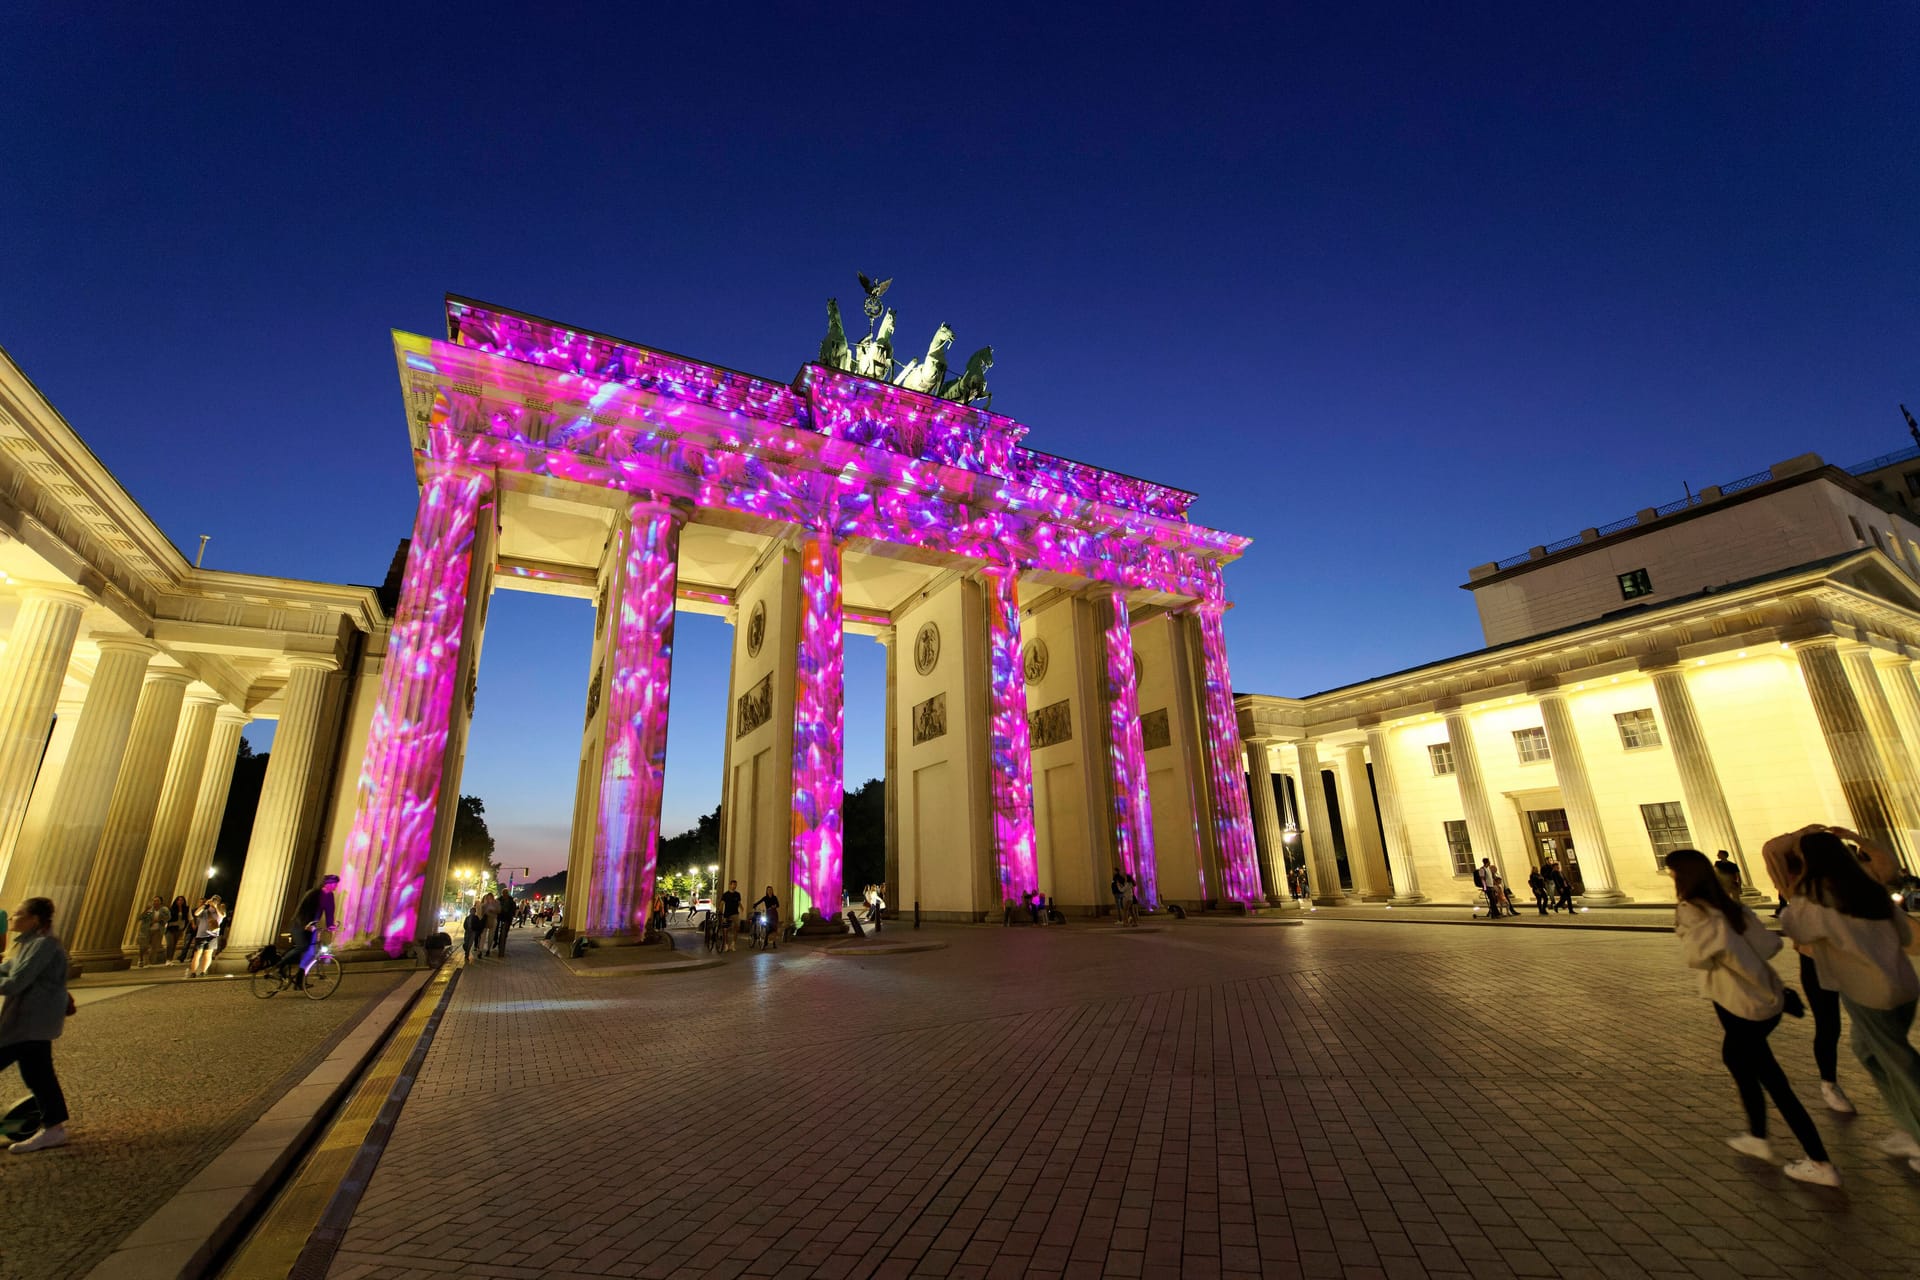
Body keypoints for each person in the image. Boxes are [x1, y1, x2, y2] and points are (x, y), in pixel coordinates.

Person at [1666, 848, 1838, 1186]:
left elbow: (1696, 957)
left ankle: (1820, 1163)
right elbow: (1770, 946)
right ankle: (1758, 1136)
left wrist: (1701, 937)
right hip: (1766, 999)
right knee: (1736, 1059)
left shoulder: (1692, 911)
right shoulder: (1731, 906)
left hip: (1739, 1004)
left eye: (1672, 874)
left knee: (1774, 1081)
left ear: (1682, 877)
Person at [1778, 826, 1920, 1169]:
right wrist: (1855, 838)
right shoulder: (1869, 890)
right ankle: (1907, 1125)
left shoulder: (1814, 899)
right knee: (1869, 1051)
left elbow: (1796, 931)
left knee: (1899, 1063)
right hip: (1903, 985)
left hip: (1866, 992)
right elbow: (1904, 935)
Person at [0, 897, 72, 1154]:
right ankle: (54, 1128)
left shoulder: (42, 945)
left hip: (30, 1021)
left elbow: (15, 981)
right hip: (29, 1022)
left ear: (34, 919)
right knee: (39, 1075)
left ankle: (54, 1129)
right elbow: (7, 969)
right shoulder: (30, 943)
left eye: (18, 914)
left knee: (39, 1075)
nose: (12, 918)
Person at [289, 875, 337, 983]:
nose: (336, 886)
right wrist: (305, 924)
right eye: (334, 883)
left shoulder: (330, 896)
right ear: (327, 883)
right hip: (301, 923)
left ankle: (299, 978)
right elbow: (302, 910)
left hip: (313, 924)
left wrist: (331, 926)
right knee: (303, 947)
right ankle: (280, 965)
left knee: (311, 952)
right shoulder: (313, 893)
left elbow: (330, 912)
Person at [186, 896, 224, 977]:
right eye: (213, 900)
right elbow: (196, 913)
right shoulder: (205, 911)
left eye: (216, 900)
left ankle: (203, 971)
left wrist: (216, 906)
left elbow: (222, 916)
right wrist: (205, 904)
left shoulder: (220, 911)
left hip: (213, 935)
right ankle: (193, 972)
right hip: (201, 935)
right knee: (197, 953)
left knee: (208, 954)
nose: (214, 901)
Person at [136, 896, 170, 968]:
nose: (155, 902)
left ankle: (148, 962)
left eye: (157, 901)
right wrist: (146, 910)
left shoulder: (164, 910)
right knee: (143, 946)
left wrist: (159, 920)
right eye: (154, 901)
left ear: (161, 902)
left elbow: (168, 917)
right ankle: (141, 959)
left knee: (154, 947)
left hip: (157, 930)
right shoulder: (150, 910)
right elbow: (140, 918)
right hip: (147, 930)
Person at [164, 894, 192, 963]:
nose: (180, 901)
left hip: (179, 929)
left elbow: (188, 918)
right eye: (179, 900)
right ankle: (167, 959)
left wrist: (184, 928)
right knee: (169, 944)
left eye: (182, 900)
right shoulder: (172, 909)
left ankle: (170, 959)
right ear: (176, 901)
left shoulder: (186, 909)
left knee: (174, 944)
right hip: (170, 928)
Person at [721, 880, 742, 951]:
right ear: (730, 885)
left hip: (735, 913)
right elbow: (722, 903)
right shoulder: (725, 894)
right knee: (725, 929)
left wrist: (741, 907)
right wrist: (720, 910)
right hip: (727, 913)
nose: (734, 886)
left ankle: (733, 944)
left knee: (736, 928)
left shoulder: (737, 894)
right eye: (733, 885)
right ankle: (726, 944)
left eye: (735, 885)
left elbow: (739, 902)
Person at [494, 890, 516, 956]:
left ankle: (502, 941)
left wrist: (512, 914)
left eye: (506, 893)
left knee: (505, 931)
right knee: (496, 928)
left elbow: (513, 909)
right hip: (499, 916)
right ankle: (495, 939)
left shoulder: (511, 901)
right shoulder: (499, 900)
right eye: (504, 893)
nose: (505, 894)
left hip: (507, 917)